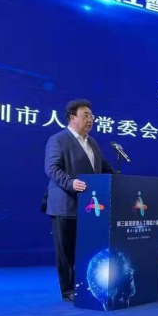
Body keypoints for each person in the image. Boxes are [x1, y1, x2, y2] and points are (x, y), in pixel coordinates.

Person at [43, 100, 114, 302]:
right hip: (65, 205)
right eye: (86, 115)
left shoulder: (93, 142)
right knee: (65, 251)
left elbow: (104, 167)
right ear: (72, 118)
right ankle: (68, 290)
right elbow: (52, 169)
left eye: (92, 116)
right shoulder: (58, 139)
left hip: (89, 207)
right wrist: (71, 183)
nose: (90, 119)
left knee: (87, 249)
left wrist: (121, 182)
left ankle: (85, 284)